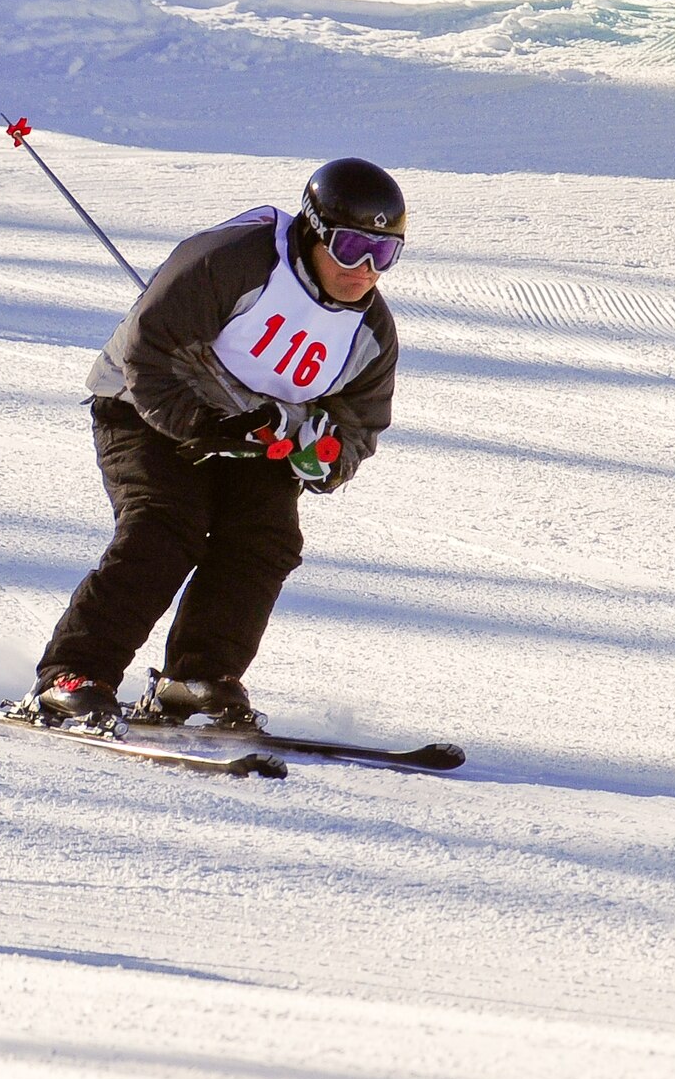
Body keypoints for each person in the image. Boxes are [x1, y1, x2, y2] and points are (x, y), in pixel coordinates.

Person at [22, 157, 406, 730]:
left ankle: (196, 677)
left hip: (252, 437)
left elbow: (359, 424)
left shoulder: (370, 334)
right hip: (145, 408)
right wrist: (201, 425)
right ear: (313, 230)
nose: (365, 270)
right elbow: (146, 355)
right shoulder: (232, 262)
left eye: (384, 253)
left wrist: (323, 458)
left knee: (266, 538)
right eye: (352, 247)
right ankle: (72, 675)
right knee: (164, 526)